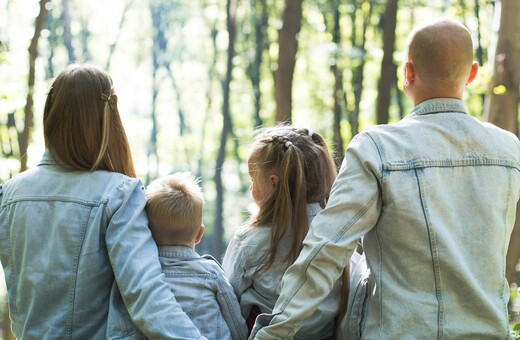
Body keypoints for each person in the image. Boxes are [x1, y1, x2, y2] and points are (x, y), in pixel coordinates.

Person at [250, 18, 520, 339]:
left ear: (408, 72)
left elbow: (325, 250)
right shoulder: (509, 150)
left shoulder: (377, 149)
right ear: (472, 74)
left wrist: (274, 332)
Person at [0, 64, 205, 339]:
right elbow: (148, 299)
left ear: (50, 115)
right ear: (108, 120)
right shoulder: (119, 194)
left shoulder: (9, 195)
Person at [223, 125, 361, 339]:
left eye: (253, 179)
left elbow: (228, 301)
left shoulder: (249, 241)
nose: (251, 187)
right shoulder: (339, 236)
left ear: (273, 183)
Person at [143, 172, 248, 340]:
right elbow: (235, 322)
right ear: (199, 234)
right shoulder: (211, 273)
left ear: (146, 232)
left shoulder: (142, 274)